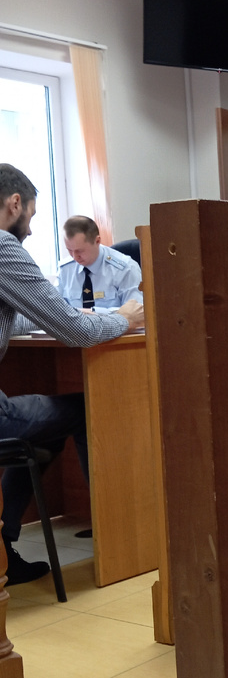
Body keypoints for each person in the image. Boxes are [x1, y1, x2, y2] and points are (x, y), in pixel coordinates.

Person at [0, 164, 144, 585]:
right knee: (82, 410)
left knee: (43, 424)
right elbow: (76, 333)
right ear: (15, 204)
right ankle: (116, 536)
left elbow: (16, 319)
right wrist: (121, 319)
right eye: (31, 215)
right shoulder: (4, 246)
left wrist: (69, 314)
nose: (30, 228)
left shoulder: (121, 265)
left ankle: (5, 544)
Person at [58, 215, 142, 310]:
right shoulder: (65, 269)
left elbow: (135, 312)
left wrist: (91, 313)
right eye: (69, 250)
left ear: (97, 241)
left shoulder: (125, 269)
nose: (74, 257)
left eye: (80, 251)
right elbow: (55, 310)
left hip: (115, 321)